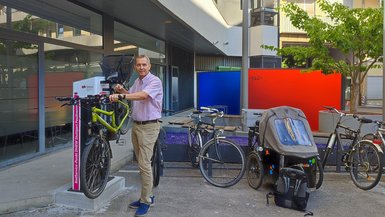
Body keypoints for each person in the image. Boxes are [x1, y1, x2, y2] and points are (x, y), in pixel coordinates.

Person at [109, 54, 163, 217]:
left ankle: (146, 200)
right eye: (138, 65)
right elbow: (132, 96)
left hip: (149, 127)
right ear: (135, 67)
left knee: (144, 164)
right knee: (141, 164)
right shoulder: (138, 82)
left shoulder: (155, 81)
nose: (141, 67)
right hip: (137, 126)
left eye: (144, 65)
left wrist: (120, 95)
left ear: (149, 66)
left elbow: (143, 96)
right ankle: (147, 196)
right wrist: (122, 90)